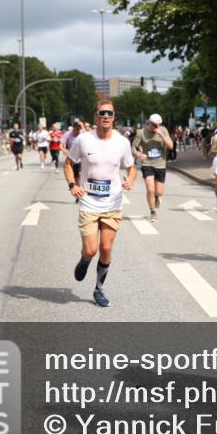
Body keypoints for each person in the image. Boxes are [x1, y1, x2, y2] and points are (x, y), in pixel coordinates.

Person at [65, 100, 137, 307]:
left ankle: (99, 289)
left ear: (114, 117)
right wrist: (72, 185)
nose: (105, 116)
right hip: (88, 202)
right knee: (91, 249)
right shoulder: (83, 140)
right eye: (101, 113)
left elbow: (131, 167)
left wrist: (131, 179)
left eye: (109, 113)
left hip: (112, 202)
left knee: (106, 247)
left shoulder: (122, 142)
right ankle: (85, 260)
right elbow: (69, 164)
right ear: (95, 117)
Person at [133, 113, 174, 222]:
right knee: (150, 187)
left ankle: (156, 197)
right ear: (149, 123)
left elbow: (170, 146)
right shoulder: (141, 133)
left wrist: (162, 135)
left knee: (159, 192)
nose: (156, 127)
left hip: (160, 164)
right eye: (154, 125)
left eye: (158, 125)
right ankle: (152, 212)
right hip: (147, 164)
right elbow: (133, 147)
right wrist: (138, 155)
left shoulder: (163, 130)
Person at [61, 121, 83, 200]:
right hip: (72, 159)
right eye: (76, 129)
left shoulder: (82, 134)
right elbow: (61, 144)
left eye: (79, 129)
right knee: (74, 176)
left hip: (81, 159)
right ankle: (76, 189)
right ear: (73, 128)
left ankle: (78, 189)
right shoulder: (67, 134)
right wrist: (63, 149)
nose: (77, 131)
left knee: (79, 176)